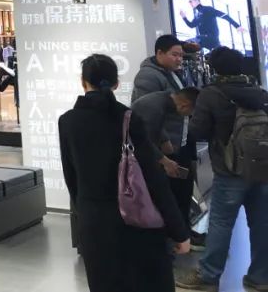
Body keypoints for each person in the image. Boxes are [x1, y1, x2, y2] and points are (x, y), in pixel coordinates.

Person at [60, 54, 190, 292]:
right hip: (137, 220)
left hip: (95, 223)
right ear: (116, 83)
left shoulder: (67, 122)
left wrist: (85, 215)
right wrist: (178, 231)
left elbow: (72, 179)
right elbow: (154, 179)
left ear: (82, 82)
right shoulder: (129, 119)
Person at [176, 48, 268, 291]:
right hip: (262, 169)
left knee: (221, 223)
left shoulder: (211, 94)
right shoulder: (258, 91)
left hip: (229, 170)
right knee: (262, 222)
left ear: (215, 68)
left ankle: (208, 276)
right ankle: (261, 277)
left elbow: (198, 131)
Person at [132, 87, 201, 233]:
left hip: (146, 155)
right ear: (185, 105)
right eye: (191, 113)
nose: (189, 116)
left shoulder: (162, 101)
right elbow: (143, 142)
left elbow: (151, 126)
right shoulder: (154, 107)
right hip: (136, 159)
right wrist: (165, 161)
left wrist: (164, 139)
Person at [132, 34, 188, 102]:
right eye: (174, 55)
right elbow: (146, 106)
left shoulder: (173, 71)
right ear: (160, 53)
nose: (179, 59)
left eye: (181, 55)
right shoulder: (147, 76)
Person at [181, 0, 246, 52]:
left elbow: (224, 15)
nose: (190, 3)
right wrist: (184, 17)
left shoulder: (207, 9)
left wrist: (237, 26)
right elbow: (191, 25)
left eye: (191, 1)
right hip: (205, 39)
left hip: (211, 37)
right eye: (189, 2)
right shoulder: (197, 14)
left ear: (197, 1)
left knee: (186, 44)